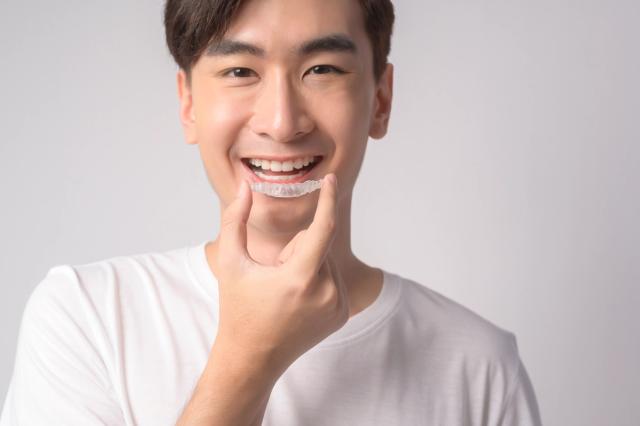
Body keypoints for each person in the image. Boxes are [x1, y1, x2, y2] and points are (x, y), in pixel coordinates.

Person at [0, 0, 542, 425]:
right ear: (188, 103)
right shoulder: (87, 318)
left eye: (322, 68)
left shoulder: (479, 363)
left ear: (380, 99)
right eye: (240, 71)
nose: (282, 123)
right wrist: (249, 356)